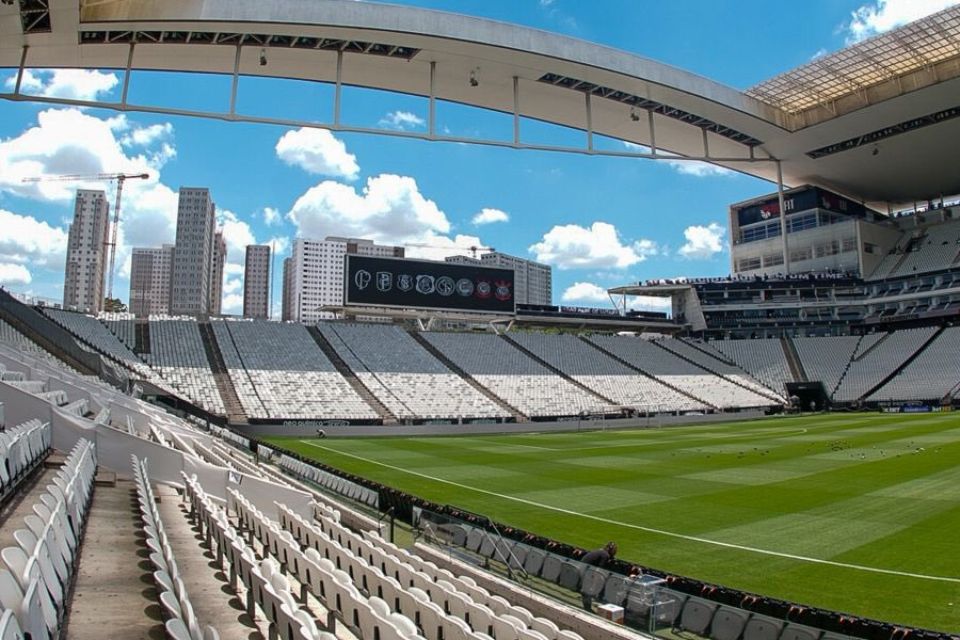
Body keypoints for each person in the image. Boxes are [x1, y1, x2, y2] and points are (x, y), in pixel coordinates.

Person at [580, 541, 617, 610]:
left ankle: (588, 603)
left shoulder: (601, 551)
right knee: (594, 585)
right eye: (614, 550)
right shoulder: (605, 555)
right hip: (586, 571)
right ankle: (589, 606)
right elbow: (598, 571)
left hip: (583, 568)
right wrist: (593, 585)